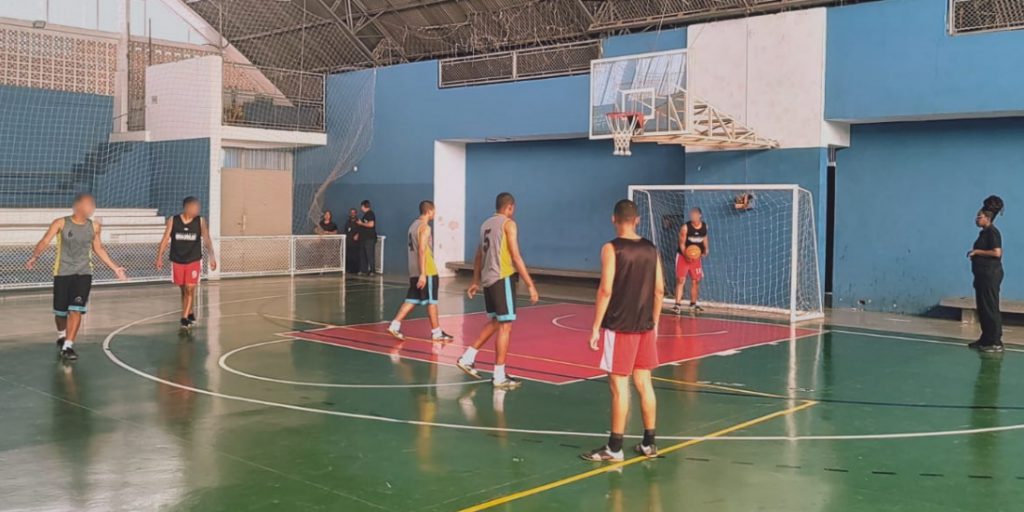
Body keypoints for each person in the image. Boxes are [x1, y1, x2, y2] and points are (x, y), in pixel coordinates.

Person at [581, 199, 664, 462]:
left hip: (620, 326)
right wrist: (656, 322)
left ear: (613, 219)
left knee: (619, 386)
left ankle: (614, 448)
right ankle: (649, 443)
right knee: (644, 383)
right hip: (645, 327)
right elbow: (660, 290)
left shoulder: (611, 249)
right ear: (637, 220)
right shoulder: (651, 248)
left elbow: (605, 289)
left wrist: (595, 327)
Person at [25, 193, 127, 361]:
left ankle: (68, 346)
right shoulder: (60, 223)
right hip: (62, 273)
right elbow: (44, 241)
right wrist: (35, 256)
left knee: (76, 309)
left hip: (83, 273)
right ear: (78, 206)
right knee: (60, 313)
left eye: (93, 205)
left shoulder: (95, 227)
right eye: (88, 205)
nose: (91, 208)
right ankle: (61, 335)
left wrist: (115, 268)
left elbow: (99, 248)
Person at [456, 192, 539, 389]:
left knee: (496, 322)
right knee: (505, 326)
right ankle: (499, 375)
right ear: (510, 207)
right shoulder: (508, 224)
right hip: (502, 278)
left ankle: (468, 357)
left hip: (488, 279)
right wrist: (530, 284)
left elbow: (478, 255)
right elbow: (516, 256)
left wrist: (475, 280)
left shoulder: (485, 224)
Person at [386, 200, 454, 342]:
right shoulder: (425, 227)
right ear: (429, 211)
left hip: (413, 269)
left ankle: (394, 324)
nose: (435, 214)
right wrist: (423, 274)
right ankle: (436, 333)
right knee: (432, 302)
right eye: (434, 211)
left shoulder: (412, 226)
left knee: (411, 299)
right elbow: (422, 250)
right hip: (427, 270)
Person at [155, 196, 217, 329]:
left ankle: (184, 318)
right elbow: (165, 239)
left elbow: (206, 239)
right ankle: (190, 311)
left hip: (193, 260)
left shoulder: (200, 221)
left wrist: (212, 257)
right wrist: (159, 257)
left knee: (190, 288)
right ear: (187, 207)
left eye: (198, 207)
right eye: (194, 207)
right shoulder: (173, 220)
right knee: (184, 289)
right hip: (177, 260)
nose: (197, 209)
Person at [968, 195, 1005, 353]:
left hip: (991, 275)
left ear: (987, 218)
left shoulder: (993, 233)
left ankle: (996, 341)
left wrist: (977, 251)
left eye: (979, 216)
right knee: (982, 307)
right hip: (982, 275)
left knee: (990, 307)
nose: (976, 219)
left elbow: (997, 253)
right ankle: (986, 338)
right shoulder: (984, 233)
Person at [673, 207, 708, 313]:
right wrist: (686, 255)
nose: (693, 216)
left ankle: (693, 304)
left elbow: (705, 237)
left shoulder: (704, 226)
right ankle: (677, 305)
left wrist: (706, 249)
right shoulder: (685, 227)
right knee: (681, 280)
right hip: (683, 256)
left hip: (696, 258)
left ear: (700, 215)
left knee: (696, 281)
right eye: (692, 214)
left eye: (695, 214)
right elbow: (682, 243)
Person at [355, 200, 377, 275]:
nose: (361, 208)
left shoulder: (370, 214)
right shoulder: (365, 215)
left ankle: (372, 270)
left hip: (369, 238)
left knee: (369, 254)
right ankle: (363, 270)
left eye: (361, 206)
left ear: (364, 206)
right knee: (363, 254)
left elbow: (371, 225)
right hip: (363, 238)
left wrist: (361, 223)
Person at [344, 208, 360, 273]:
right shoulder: (347, 222)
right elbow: (346, 231)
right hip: (349, 242)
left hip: (356, 243)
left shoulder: (359, 221)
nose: (352, 214)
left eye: (354, 213)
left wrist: (358, 235)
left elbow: (362, 230)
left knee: (356, 256)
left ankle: (356, 270)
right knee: (349, 256)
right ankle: (349, 269)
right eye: (351, 213)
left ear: (356, 213)